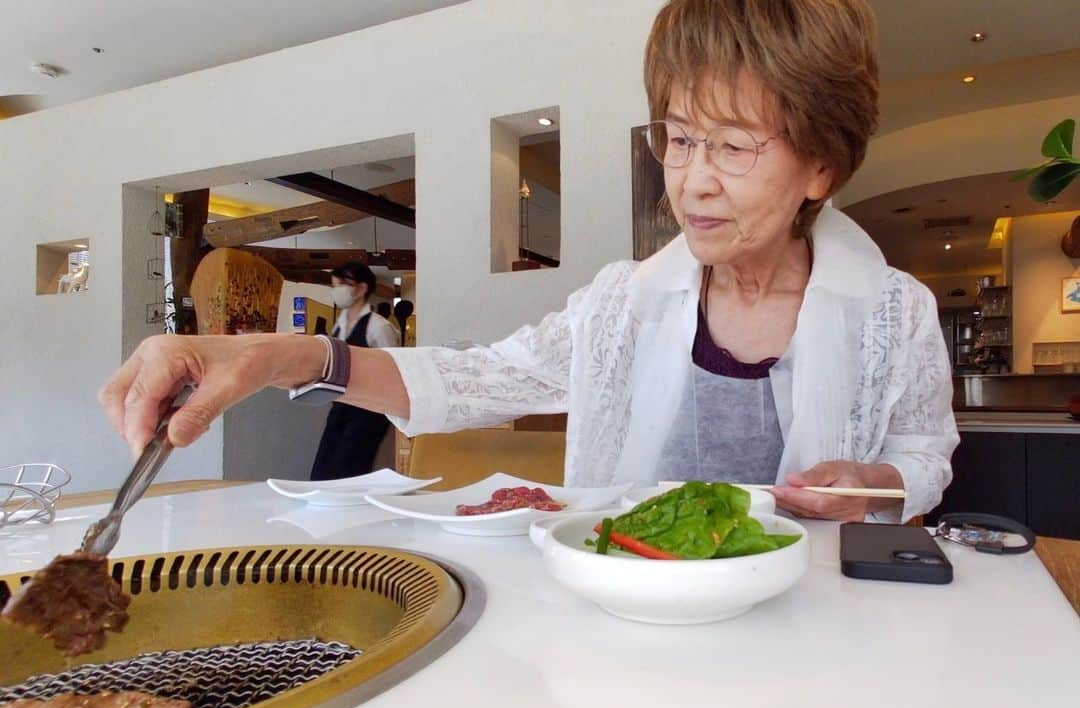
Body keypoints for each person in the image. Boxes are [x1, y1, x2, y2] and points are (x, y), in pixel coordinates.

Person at [100, 0, 958, 523]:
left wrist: (877, 480)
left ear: (821, 166)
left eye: (734, 147)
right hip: (629, 615)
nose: (693, 181)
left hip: (818, 628)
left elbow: (925, 457)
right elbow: (475, 380)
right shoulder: (624, 304)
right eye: (680, 138)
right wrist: (278, 355)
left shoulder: (893, 311)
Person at [308, 263, 398, 480]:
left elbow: (392, 368)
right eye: (334, 284)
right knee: (322, 470)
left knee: (350, 471)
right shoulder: (338, 326)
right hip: (341, 404)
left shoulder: (378, 327)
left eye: (343, 284)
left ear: (361, 288)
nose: (337, 289)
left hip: (368, 410)